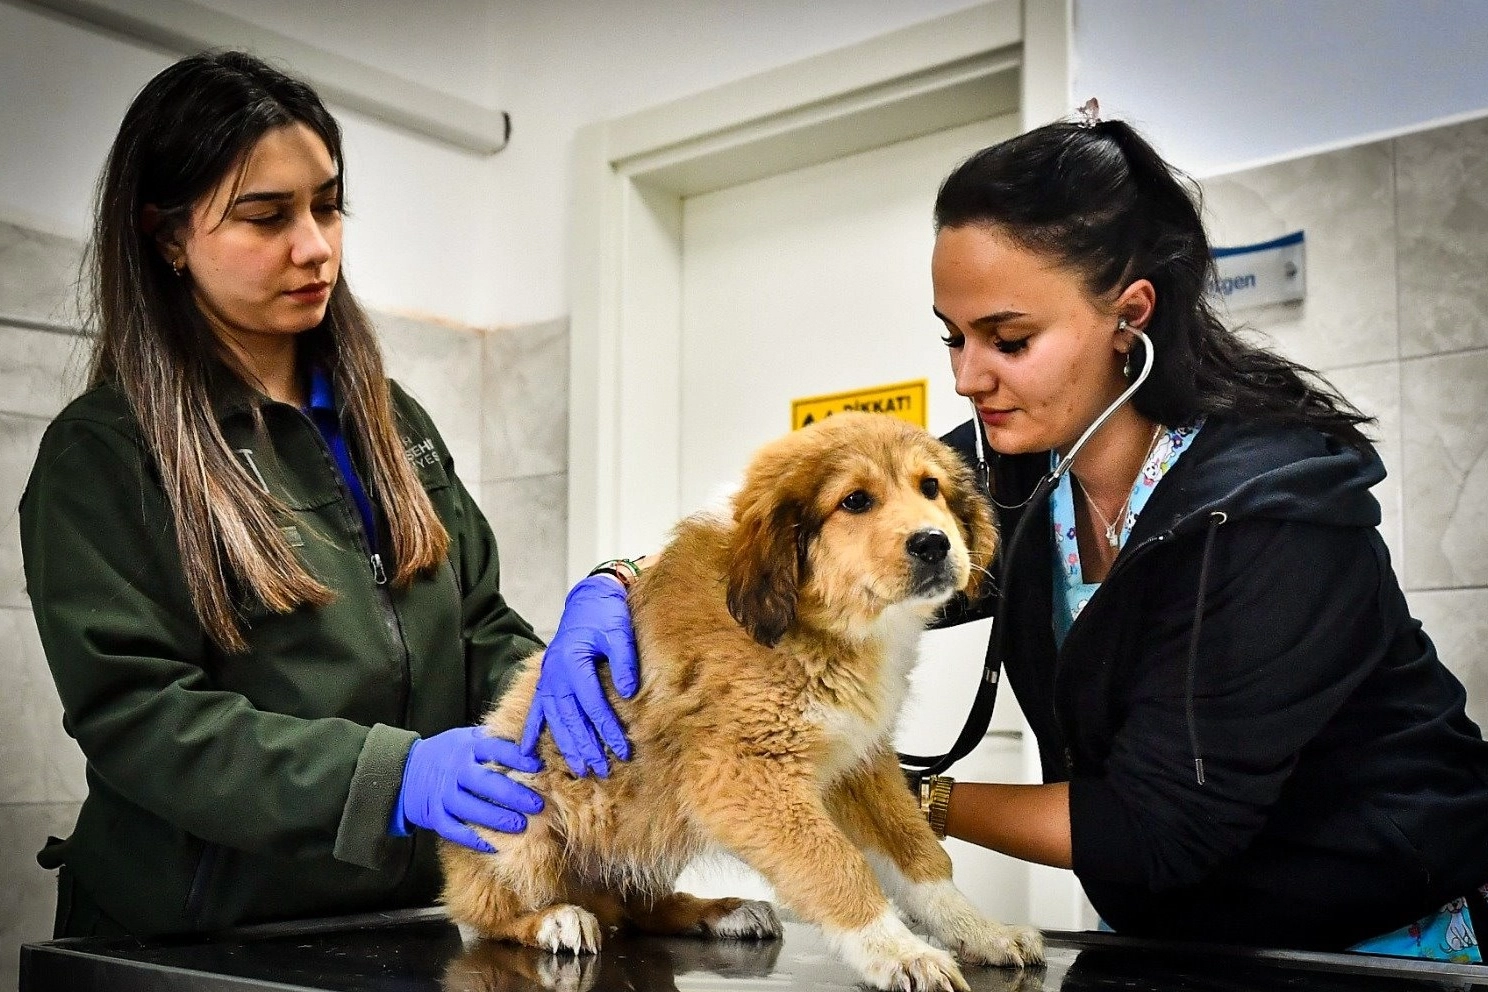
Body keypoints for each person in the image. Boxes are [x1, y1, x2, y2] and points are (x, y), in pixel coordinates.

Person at [560, 111, 1488, 960]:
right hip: (1171, 935)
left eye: (1007, 340)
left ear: (1129, 318)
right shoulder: (1015, 468)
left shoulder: (1274, 520)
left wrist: (892, 798)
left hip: (1375, 937)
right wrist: (617, 578)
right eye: (952, 339)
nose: (968, 378)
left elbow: (1156, 829)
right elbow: (792, 528)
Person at [19, 50, 635, 939]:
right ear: (166, 236)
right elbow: (142, 718)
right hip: (197, 939)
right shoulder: (108, 456)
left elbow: (477, 632)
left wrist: (560, 689)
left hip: (396, 918)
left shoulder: (391, 424)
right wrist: (392, 779)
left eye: (328, 204)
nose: (315, 247)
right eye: (266, 216)